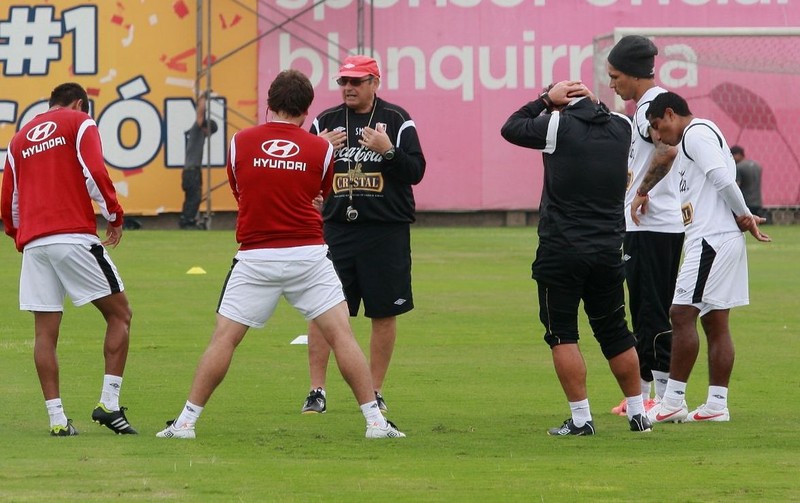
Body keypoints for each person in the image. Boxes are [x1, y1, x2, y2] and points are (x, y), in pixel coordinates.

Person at [156, 69, 405, 440]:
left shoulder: (241, 141)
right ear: (307, 111)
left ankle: (186, 423)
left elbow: (242, 193)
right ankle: (375, 422)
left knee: (224, 339)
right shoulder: (321, 148)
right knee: (343, 336)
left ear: (268, 104)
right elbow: (320, 196)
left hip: (256, 255)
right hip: (307, 253)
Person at [501, 80, 652, 436]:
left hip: (561, 249)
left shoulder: (557, 124)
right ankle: (637, 413)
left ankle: (582, 419)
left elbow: (510, 127)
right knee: (616, 332)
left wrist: (544, 101)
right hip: (608, 249)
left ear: (558, 104)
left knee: (562, 334)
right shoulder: (622, 126)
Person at [1, 82, 137, 436]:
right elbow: (95, 173)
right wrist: (114, 215)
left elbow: (8, 202)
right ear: (79, 103)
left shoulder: (18, 140)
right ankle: (108, 404)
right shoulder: (79, 122)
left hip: (35, 245)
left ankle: (58, 421)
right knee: (120, 314)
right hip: (72, 235)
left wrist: (22, 238)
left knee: (44, 334)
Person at [631, 91, 770, 424]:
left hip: (711, 238)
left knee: (680, 314)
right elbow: (679, 168)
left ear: (670, 114)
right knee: (714, 321)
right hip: (714, 237)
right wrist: (644, 190)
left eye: (657, 127)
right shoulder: (691, 139)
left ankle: (673, 400)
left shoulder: (695, 134)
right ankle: (716, 405)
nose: (658, 136)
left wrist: (744, 214)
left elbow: (722, 177)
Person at [300, 55, 426, 415]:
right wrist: (318, 149)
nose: (348, 88)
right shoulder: (324, 122)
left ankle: (375, 389)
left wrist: (388, 152)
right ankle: (316, 390)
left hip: (386, 231)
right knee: (323, 310)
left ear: (375, 82)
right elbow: (303, 177)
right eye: (343, 82)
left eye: (356, 82)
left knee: (384, 313)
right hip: (337, 230)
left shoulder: (397, 120)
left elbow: (416, 170)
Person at [606, 35, 685, 416]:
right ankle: (648, 392)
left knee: (650, 309)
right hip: (662, 224)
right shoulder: (658, 102)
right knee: (651, 307)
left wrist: (642, 191)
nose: (612, 84)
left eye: (615, 75)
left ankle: (664, 398)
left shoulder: (650, 107)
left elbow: (667, 149)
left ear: (633, 74)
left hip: (649, 225)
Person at [179, 91, 218, 229]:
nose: (209, 135)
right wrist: (203, 98)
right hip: (191, 171)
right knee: (194, 197)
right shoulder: (197, 131)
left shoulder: (199, 135)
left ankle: (187, 219)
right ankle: (187, 221)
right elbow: (200, 115)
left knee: (192, 197)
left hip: (192, 171)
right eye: (210, 132)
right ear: (206, 128)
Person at [731, 145, 765, 222]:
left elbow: (736, 186)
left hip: (746, 203)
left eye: (732, 155)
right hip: (758, 202)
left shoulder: (739, 167)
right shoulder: (757, 165)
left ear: (738, 154)